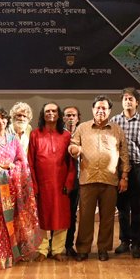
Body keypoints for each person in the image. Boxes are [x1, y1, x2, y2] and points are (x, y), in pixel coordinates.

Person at [0, 106, 41, 269]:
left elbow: (22, 160)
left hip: (10, 187)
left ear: (7, 120)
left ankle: (9, 256)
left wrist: (13, 168)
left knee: (8, 220)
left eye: (3, 118)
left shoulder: (13, 139)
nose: (0, 121)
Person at [69, 95, 130, 261]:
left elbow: (124, 154)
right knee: (85, 217)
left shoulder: (117, 130)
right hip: (87, 179)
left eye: (104, 108)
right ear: (92, 109)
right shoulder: (82, 128)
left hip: (110, 180)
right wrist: (74, 149)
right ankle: (83, 249)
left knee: (107, 218)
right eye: (98, 108)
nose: (100, 111)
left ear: (109, 111)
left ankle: (103, 249)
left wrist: (124, 176)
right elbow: (73, 144)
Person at [29, 102, 76, 262]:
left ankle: (57, 250)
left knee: (61, 217)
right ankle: (42, 250)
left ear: (59, 114)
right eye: (47, 111)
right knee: (41, 217)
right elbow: (30, 161)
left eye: (54, 111)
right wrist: (34, 185)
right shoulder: (35, 134)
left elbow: (71, 163)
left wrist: (69, 182)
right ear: (43, 114)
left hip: (61, 185)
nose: (51, 113)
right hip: (42, 184)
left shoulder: (66, 135)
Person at [110, 87, 140, 257]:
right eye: (125, 99)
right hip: (119, 169)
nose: (127, 101)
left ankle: (136, 244)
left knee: (138, 209)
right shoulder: (114, 120)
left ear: (137, 102)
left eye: (131, 99)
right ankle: (124, 241)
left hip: (138, 168)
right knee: (123, 208)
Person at [62, 105, 82, 256]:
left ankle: (69, 245)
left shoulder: (83, 133)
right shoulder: (58, 134)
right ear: (63, 118)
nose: (70, 118)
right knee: (58, 212)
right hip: (61, 180)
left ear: (78, 118)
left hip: (79, 179)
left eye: (73, 115)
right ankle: (54, 246)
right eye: (67, 115)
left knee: (72, 214)